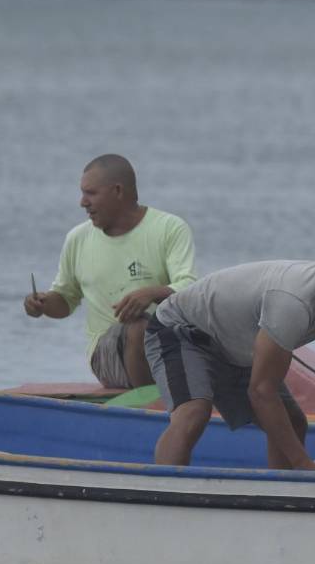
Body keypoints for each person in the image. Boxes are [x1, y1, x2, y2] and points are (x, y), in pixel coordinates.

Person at [145, 241, 315, 470]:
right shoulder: (293, 302)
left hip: (234, 345)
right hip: (182, 330)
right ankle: (162, 498)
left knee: (293, 422)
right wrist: (304, 465)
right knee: (194, 412)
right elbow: (261, 392)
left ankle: (280, 500)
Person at [23, 154, 197, 389]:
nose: (82, 202)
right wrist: (41, 305)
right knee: (138, 327)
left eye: (91, 193)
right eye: (82, 193)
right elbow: (64, 302)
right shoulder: (77, 239)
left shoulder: (170, 228)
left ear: (118, 191)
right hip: (108, 355)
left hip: (166, 347)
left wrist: (151, 293)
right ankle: (148, 408)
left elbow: (191, 289)